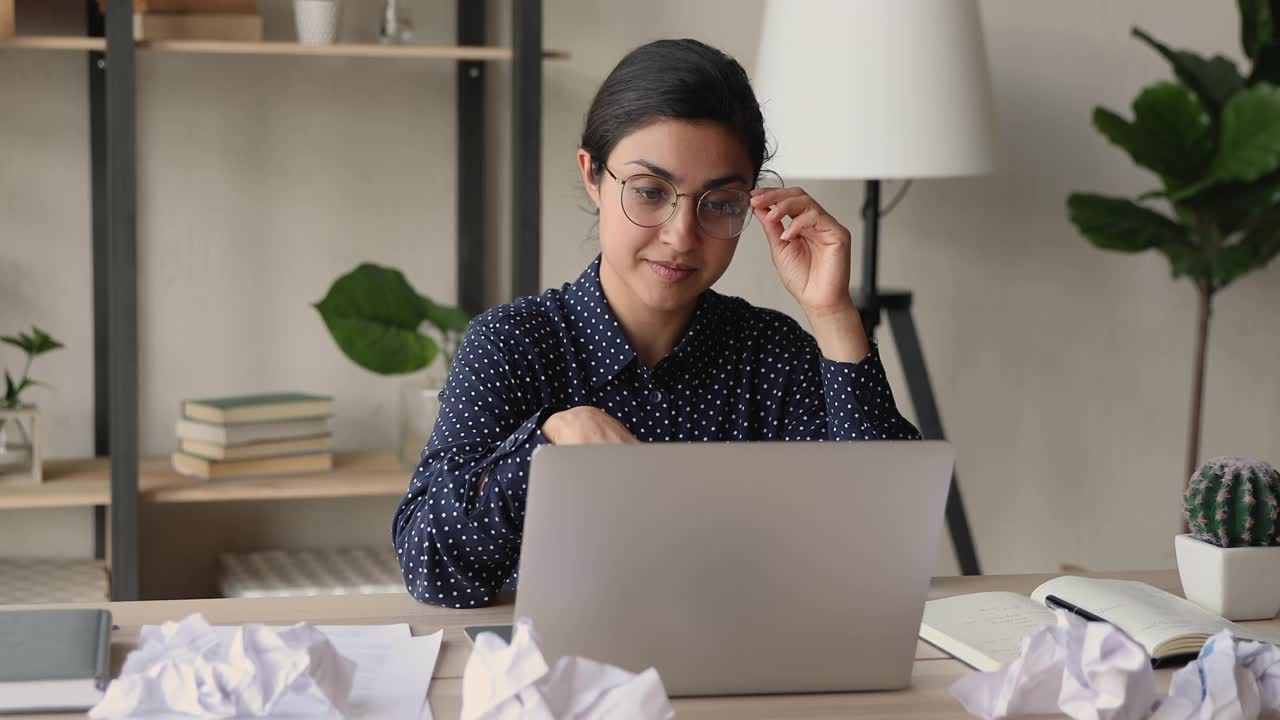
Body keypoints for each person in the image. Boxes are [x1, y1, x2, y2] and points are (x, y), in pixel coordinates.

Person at [392, 38, 920, 608]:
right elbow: (430, 564)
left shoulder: (771, 353)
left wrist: (832, 314)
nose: (681, 236)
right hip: (564, 681)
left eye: (719, 202)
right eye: (650, 192)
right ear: (592, 175)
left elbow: (883, 540)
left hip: (751, 671)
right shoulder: (513, 344)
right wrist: (549, 441)